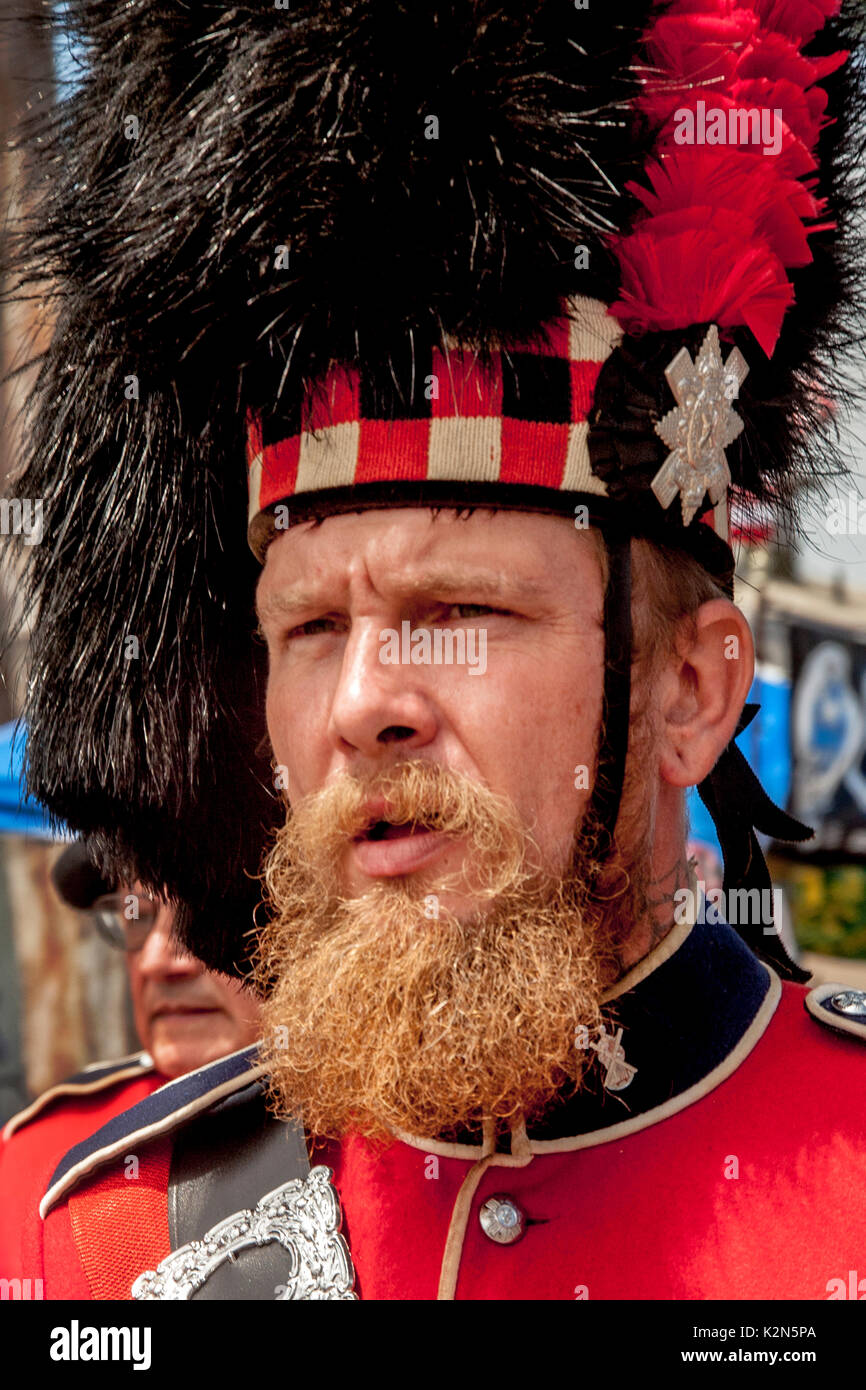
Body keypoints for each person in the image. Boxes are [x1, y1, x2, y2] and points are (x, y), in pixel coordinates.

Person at [6, 0, 866, 1300]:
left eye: (459, 611)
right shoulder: (87, 1235)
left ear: (691, 691)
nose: (359, 706)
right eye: (307, 630)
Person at [0, 842, 260, 1287]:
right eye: (136, 914)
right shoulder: (36, 1160)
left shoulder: (396, 1138)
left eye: (207, 913)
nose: (158, 960)